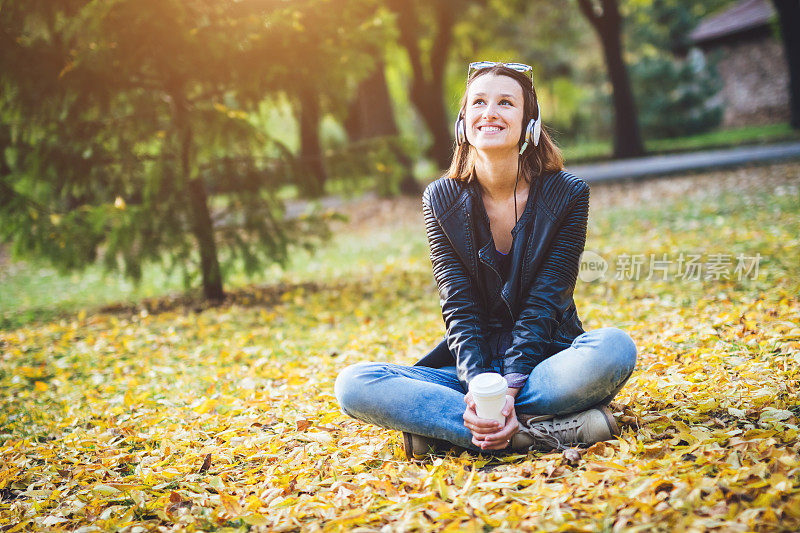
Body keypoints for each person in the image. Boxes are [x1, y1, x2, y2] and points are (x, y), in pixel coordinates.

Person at [334, 61, 637, 458]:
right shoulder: (440, 199)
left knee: (615, 348)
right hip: (468, 373)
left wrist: (508, 390)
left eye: (506, 103)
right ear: (464, 122)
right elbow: (458, 306)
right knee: (354, 383)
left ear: (529, 123)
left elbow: (547, 301)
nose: (490, 112)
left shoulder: (568, 194)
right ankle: (536, 432)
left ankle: (453, 431)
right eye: (479, 102)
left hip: (546, 361)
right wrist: (480, 387)